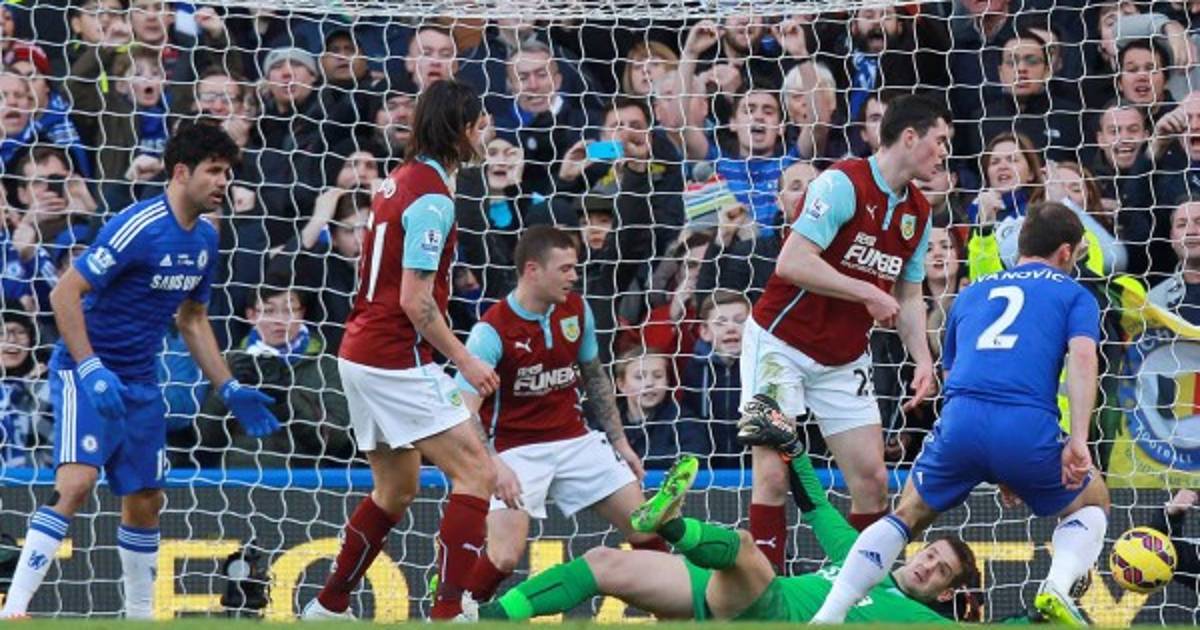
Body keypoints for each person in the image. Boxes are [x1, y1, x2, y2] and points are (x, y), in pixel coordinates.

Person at [0, 123, 281, 620]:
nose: (223, 182)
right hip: (85, 372)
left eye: (228, 173)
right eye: (214, 171)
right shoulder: (138, 226)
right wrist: (90, 368)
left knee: (147, 497)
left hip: (141, 380)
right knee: (77, 483)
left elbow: (192, 319)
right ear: (181, 172)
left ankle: (139, 616)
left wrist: (229, 384)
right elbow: (65, 294)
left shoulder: (206, 239)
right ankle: (14, 609)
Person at [809, 202, 1111, 625]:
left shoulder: (971, 292)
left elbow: (951, 373)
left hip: (959, 420)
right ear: (1066, 252)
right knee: (1091, 502)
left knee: (907, 515)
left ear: (1021, 246)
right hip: (1025, 423)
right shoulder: (1075, 294)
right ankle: (1057, 587)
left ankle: (830, 614)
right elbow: (1082, 357)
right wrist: (1078, 440)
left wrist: (991, 457)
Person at [302, 79, 499, 621]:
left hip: (359, 350)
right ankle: (450, 610)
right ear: (461, 130)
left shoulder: (398, 180)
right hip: (393, 355)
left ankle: (330, 604)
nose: (485, 137)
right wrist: (466, 359)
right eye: (481, 126)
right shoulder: (432, 197)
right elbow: (416, 300)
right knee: (477, 474)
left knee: (396, 488)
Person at [743, 93, 948, 563]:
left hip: (844, 355)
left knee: (872, 482)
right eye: (938, 141)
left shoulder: (919, 212)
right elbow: (792, 262)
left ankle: (855, 593)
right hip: (780, 342)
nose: (943, 153)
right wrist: (865, 292)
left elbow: (909, 295)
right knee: (772, 474)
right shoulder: (841, 183)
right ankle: (766, 593)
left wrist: (922, 359)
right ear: (910, 137)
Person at [460, 441, 979, 623]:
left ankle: (671, 522)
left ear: (945, 593)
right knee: (603, 562)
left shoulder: (919, 620)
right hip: (731, 600)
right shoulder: (865, 558)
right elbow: (815, 503)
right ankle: (483, 619)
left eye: (941, 570)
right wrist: (789, 443)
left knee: (746, 550)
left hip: (770, 612)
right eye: (930, 552)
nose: (927, 564)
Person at [456, 226, 664, 604]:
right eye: (565, 268)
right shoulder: (491, 331)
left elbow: (595, 378)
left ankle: (681, 615)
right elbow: (463, 409)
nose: (574, 276)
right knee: (504, 557)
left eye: (575, 267)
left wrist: (620, 443)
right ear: (532, 270)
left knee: (645, 526)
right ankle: (457, 610)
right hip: (514, 450)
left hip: (574, 439)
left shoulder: (577, 310)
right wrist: (493, 465)